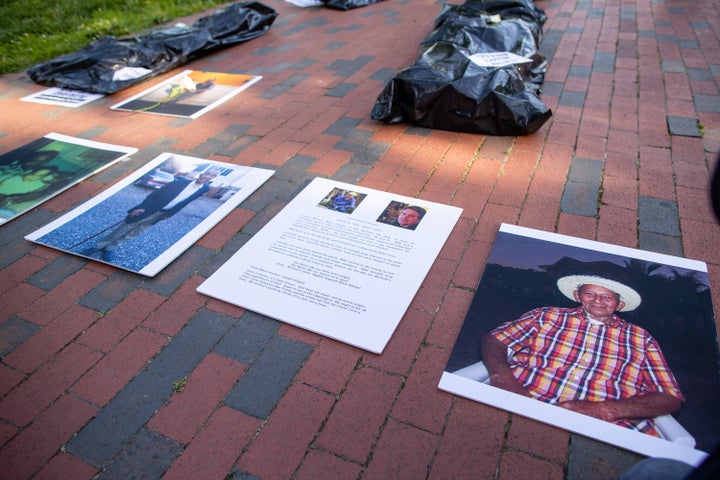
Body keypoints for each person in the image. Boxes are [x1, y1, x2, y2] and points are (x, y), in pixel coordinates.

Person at [480, 263, 683, 438]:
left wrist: (604, 410)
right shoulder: (546, 316)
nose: (597, 301)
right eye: (590, 293)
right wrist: (502, 378)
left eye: (607, 297)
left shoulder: (642, 338)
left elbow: (669, 396)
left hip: (607, 427)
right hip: (524, 402)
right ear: (578, 295)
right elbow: (496, 339)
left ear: (619, 304)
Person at [87, 169, 218, 262]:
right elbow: (154, 195)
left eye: (210, 176)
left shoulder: (204, 189)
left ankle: (109, 248)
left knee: (134, 233)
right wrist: (141, 207)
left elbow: (185, 202)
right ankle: (98, 246)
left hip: (161, 214)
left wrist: (170, 214)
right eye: (206, 173)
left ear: (212, 178)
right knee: (123, 228)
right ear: (202, 173)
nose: (206, 176)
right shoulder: (179, 182)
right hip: (149, 209)